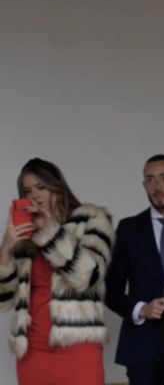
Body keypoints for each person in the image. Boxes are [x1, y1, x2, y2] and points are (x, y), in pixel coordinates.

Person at [0, 158, 114, 385]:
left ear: (57, 188)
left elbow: (88, 276)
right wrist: (6, 249)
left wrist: (49, 230)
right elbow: (2, 302)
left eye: (41, 187)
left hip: (79, 347)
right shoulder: (23, 233)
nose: (34, 194)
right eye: (28, 190)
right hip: (32, 351)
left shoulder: (91, 219)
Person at [105, 154, 164, 385]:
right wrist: (140, 309)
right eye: (150, 180)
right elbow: (110, 289)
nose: (157, 186)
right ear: (144, 185)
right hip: (141, 345)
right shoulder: (128, 230)